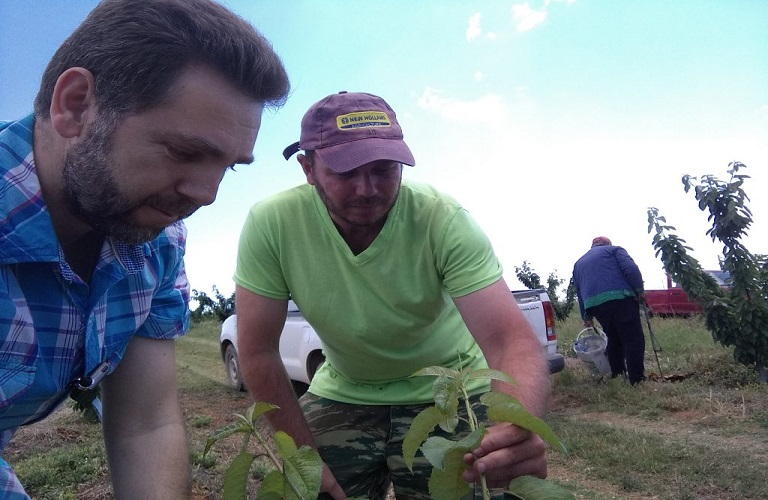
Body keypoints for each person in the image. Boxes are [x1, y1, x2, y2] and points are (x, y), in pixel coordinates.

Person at [0, 0, 289, 497]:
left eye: (229, 166)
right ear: (75, 105)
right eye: (184, 151)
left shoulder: (157, 244)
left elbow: (146, 423)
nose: (207, 194)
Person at [234, 91, 550, 499]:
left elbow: (510, 340)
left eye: (384, 169)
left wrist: (513, 428)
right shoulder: (272, 224)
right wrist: (301, 457)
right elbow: (257, 349)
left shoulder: (441, 218)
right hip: (345, 389)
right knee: (305, 490)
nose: (367, 189)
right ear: (308, 169)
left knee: (483, 485)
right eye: (346, 173)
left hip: (449, 388)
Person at [572, 236, 646, 385]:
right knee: (633, 338)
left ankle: (618, 374)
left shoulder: (579, 263)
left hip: (595, 304)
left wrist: (586, 315)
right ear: (607, 244)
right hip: (620, 297)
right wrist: (640, 290)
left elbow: (579, 291)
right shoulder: (614, 251)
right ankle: (636, 379)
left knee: (613, 337)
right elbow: (631, 269)